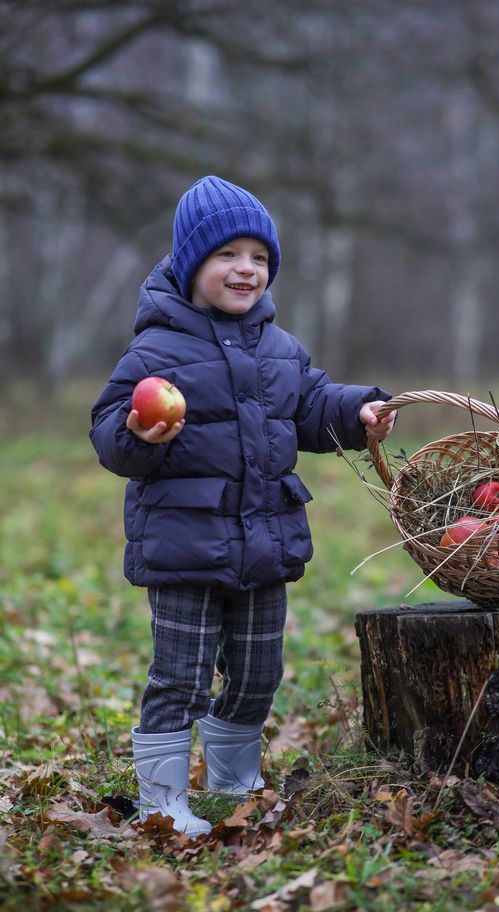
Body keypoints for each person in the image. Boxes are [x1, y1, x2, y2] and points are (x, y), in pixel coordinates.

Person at [90, 175, 395, 837]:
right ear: (192, 262)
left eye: (258, 257)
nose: (245, 269)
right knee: (181, 676)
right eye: (227, 254)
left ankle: (232, 778)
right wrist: (138, 434)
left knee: (259, 673)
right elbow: (110, 432)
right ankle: (164, 799)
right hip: (184, 546)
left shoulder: (280, 350)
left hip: (264, 540)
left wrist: (357, 409)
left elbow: (312, 407)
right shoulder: (155, 350)